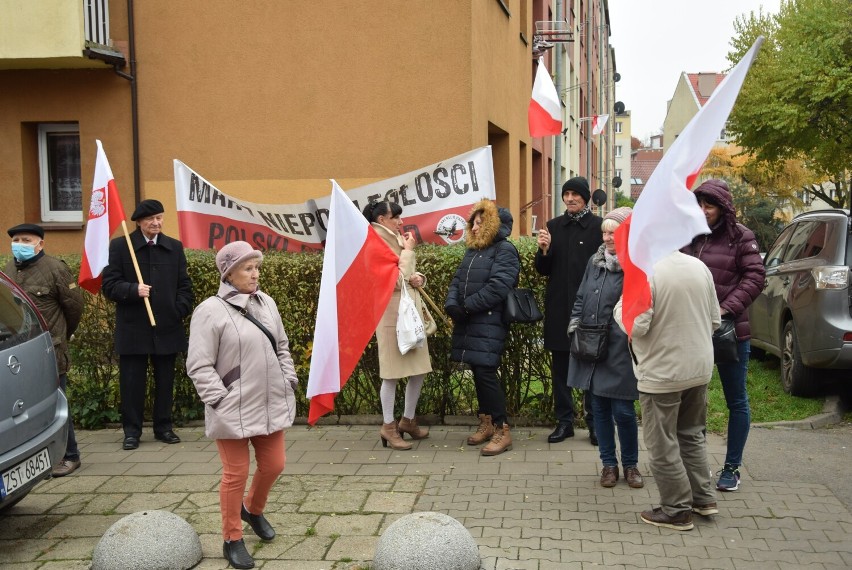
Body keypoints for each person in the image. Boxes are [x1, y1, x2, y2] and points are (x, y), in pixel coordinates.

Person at [186, 241, 298, 570]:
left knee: (275, 464)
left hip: (270, 401)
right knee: (235, 474)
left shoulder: (266, 303)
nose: (255, 274)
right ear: (229, 273)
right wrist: (219, 398)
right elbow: (198, 365)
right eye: (248, 268)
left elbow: (282, 347)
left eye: (256, 267)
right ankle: (232, 538)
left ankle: (253, 509)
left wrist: (288, 379)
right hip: (231, 407)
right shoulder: (210, 310)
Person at [615, 250, 721, 531]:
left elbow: (636, 325)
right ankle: (703, 498)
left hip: (662, 372)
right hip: (698, 367)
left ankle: (676, 509)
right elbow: (714, 319)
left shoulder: (646, 272)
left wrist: (619, 306)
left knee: (661, 442)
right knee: (692, 434)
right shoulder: (699, 266)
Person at [682, 179, 765, 492]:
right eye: (699, 205)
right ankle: (694, 463)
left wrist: (723, 310)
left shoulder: (741, 236)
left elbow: (756, 277)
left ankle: (732, 467)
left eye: (710, 205)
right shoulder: (689, 236)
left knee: (736, 400)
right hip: (693, 331)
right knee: (691, 399)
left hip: (730, 332)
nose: (703, 211)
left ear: (723, 207)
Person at [102, 199, 194, 451]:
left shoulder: (173, 247)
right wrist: (133, 290)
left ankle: (164, 427)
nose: (156, 223)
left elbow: (185, 287)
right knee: (132, 384)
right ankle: (132, 431)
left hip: (167, 327)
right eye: (151, 219)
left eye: (160, 218)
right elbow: (109, 285)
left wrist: (177, 310)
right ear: (139, 222)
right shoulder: (122, 247)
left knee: (165, 382)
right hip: (134, 329)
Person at [566, 208, 643, 489]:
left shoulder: (636, 264)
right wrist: (575, 323)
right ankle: (608, 465)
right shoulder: (595, 261)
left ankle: (632, 466)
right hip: (590, 344)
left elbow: (640, 305)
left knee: (623, 410)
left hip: (620, 347)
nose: (607, 237)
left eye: (613, 232)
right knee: (598, 408)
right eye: (604, 232)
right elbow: (581, 295)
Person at [5, 224, 84, 477]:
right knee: (26, 407)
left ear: (40, 243)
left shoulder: (55, 268)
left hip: (48, 349)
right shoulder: (8, 269)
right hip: (17, 350)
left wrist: (61, 336)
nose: (19, 244)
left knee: (56, 401)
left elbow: (74, 308)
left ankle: (70, 455)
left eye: (26, 239)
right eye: (16, 239)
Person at [445, 199, 519, 456]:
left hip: (488, 321)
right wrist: (452, 304)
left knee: (486, 373)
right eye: (473, 223)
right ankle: (486, 423)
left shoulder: (504, 249)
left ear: (492, 225)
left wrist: (467, 307)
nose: (474, 228)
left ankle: (502, 429)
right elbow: (457, 280)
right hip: (470, 321)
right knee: (477, 372)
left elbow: (499, 285)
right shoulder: (473, 251)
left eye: (480, 223)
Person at [535, 176, 603, 445]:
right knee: (560, 369)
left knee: (591, 368)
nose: (570, 198)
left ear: (586, 198)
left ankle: (595, 422)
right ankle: (564, 422)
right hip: (559, 310)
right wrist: (543, 251)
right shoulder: (553, 226)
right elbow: (543, 270)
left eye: (576, 194)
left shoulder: (599, 228)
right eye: (567, 194)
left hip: (591, 312)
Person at [362, 201, 432, 450]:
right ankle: (389, 426)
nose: (401, 221)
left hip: (406, 314)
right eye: (396, 217)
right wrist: (409, 253)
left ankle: (408, 421)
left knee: (419, 368)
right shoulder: (374, 243)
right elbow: (393, 281)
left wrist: (418, 277)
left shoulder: (394, 239)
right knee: (391, 374)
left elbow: (406, 276)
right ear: (381, 219)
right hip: (390, 315)